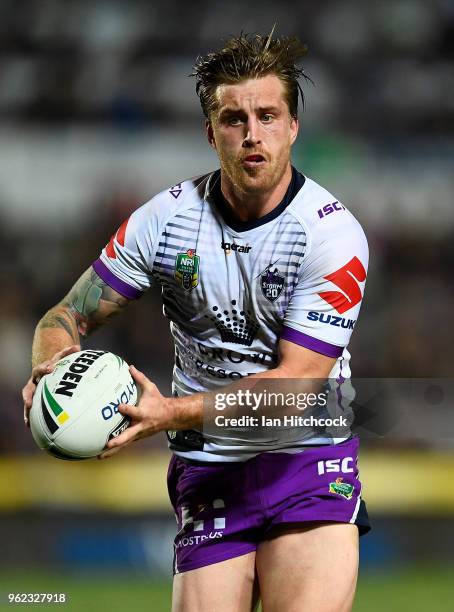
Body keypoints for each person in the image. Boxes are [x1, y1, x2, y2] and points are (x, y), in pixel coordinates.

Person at [22, 32, 370, 612]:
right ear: (211, 133)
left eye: (268, 115)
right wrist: (49, 366)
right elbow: (67, 314)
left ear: (293, 127)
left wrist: (167, 415)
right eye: (234, 119)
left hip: (306, 459)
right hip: (207, 467)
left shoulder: (331, 235)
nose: (252, 133)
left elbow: (297, 386)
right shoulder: (166, 220)